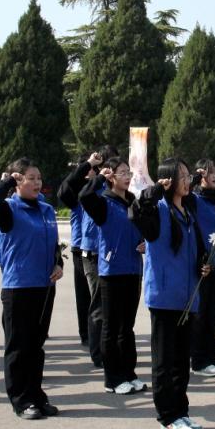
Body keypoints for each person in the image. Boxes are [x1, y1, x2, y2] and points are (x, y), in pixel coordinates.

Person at [0, 158, 63, 420]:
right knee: (18, 346)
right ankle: (21, 400)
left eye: (39, 178)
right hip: (19, 286)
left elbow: (54, 245)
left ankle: (36, 395)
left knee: (36, 346)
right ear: (18, 181)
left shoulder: (47, 210)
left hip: (44, 286)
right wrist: (6, 182)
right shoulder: (9, 209)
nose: (37, 182)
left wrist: (58, 263)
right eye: (30, 178)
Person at [132, 158, 209, 429]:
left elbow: (195, 249)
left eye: (188, 176)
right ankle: (167, 417)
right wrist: (154, 191)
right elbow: (136, 212)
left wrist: (203, 264)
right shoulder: (158, 211)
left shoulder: (187, 212)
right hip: (164, 297)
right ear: (168, 180)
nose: (188, 181)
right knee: (164, 361)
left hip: (187, 296)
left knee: (181, 361)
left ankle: (181, 412)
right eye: (182, 176)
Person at [80, 157, 147, 395]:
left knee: (127, 327)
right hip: (112, 272)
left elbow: (142, 229)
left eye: (129, 172)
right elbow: (84, 196)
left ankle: (128, 373)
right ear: (112, 177)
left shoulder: (133, 202)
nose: (127, 176)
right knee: (111, 326)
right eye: (122, 173)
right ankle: (113, 378)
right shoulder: (103, 203)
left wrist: (144, 242)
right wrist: (99, 177)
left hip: (133, 269)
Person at [58, 152, 101, 359]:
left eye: (93, 168)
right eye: (87, 168)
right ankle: (86, 334)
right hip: (80, 248)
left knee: (98, 296)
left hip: (101, 249)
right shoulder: (77, 192)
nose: (90, 172)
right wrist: (87, 165)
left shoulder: (102, 190)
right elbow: (64, 189)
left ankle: (98, 333)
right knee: (84, 295)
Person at [189, 158, 215, 377]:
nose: (214, 175)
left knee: (212, 315)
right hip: (203, 264)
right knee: (201, 314)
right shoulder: (194, 199)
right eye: (208, 172)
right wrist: (196, 177)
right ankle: (199, 360)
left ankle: (212, 356)